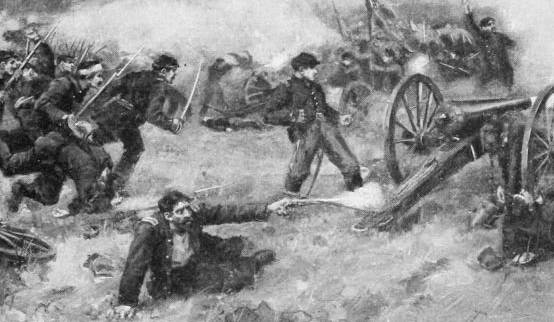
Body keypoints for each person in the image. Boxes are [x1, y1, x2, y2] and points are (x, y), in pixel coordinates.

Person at [114, 190, 293, 317]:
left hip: (199, 250)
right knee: (234, 278)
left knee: (239, 245)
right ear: (168, 216)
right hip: (173, 277)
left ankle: (241, 253)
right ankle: (254, 263)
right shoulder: (149, 230)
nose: (187, 214)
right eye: (180, 211)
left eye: (187, 208)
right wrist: (126, 302)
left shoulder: (191, 215)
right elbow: (135, 265)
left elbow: (226, 212)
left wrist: (267, 208)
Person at [3, 58, 113, 215]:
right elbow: (42, 104)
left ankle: (21, 189)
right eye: (99, 75)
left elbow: (80, 115)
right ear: (87, 76)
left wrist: (84, 128)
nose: (101, 79)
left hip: (62, 137)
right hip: (50, 137)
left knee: (48, 196)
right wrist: (64, 117)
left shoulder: (82, 90)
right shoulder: (63, 84)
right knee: (83, 163)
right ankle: (89, 204)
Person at [264, 52, 363, 195]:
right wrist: (292, 116)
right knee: (299, 171)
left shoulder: (316, 87)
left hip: (326, 129)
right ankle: (290, 197)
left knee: (350, 164)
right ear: (301, 70)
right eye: (311, 68)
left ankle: (358, 193)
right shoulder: (286, 88)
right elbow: (267, 115)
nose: (316, 71)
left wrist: (339, 118)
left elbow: (323, 109)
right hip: (304, 132)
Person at [89, 54, 184, 201]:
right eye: (173, 71)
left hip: (110, 114)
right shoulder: (160, 86)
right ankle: (114, 186)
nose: (174, 75)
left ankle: (95, 176)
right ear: (164, 71)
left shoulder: (137, 75)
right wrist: (171, 123)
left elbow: (111, 88)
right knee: (135, 148)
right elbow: (153, 116)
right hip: (126, 121)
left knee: (97, 138)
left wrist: (98, 107)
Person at [462, 0, 516, 89]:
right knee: (482, 90)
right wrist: (466, 6)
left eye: (493, 24)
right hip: (488, 73)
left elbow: (514, 45)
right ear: (482, 27)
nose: (492, 26)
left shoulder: (500, 36)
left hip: (504, 72)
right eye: (489, 24)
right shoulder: (480, 37)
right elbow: (470, 24)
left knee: (507, 90)